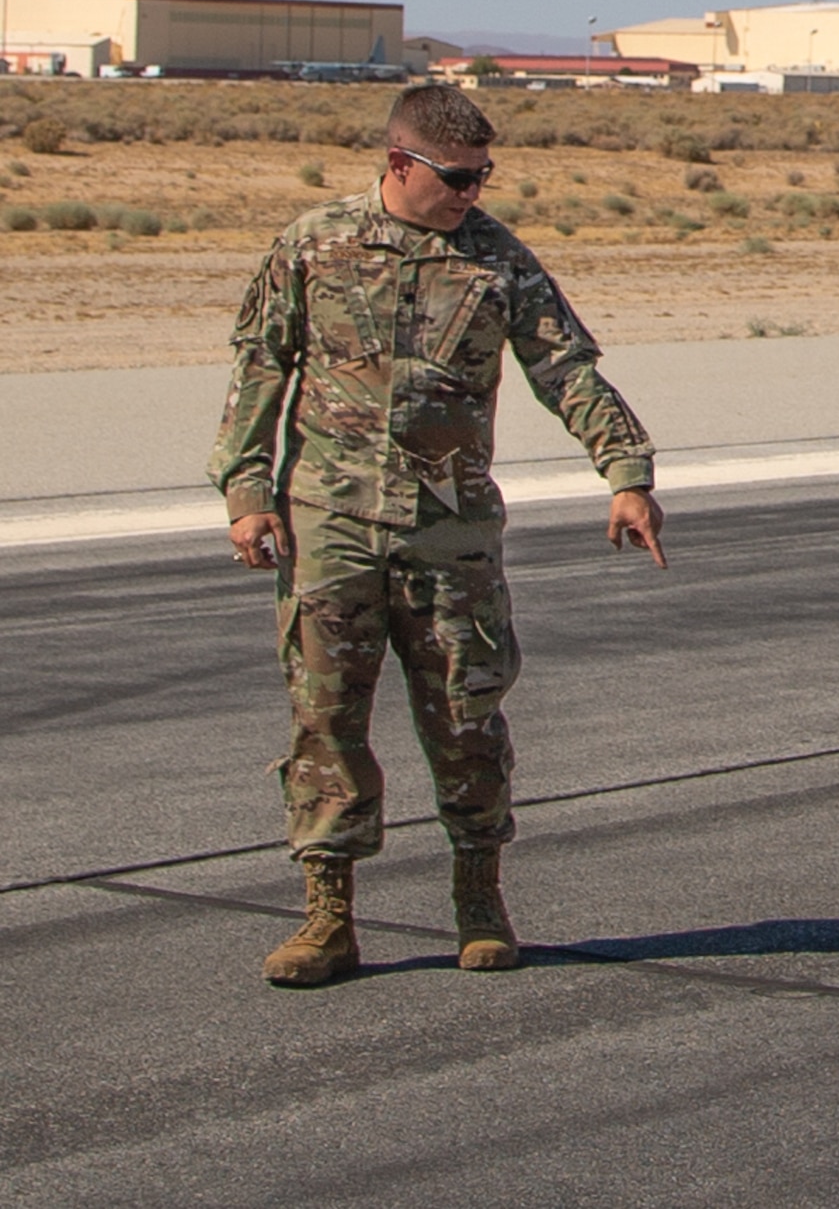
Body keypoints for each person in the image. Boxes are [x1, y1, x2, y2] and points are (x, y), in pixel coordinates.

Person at [209, 83, 666, 987]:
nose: (472, 195)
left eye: (483, 176)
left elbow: (564, 369)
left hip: (448, 530)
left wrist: (626, 473)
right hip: (330, 522)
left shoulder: (497, 259)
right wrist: (246, 491)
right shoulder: (314, 244)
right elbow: (260, 364)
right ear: (399, 164)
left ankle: (479, 898)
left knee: (465, 714)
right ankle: (328, 917)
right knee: (325, 720)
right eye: (457, 178)